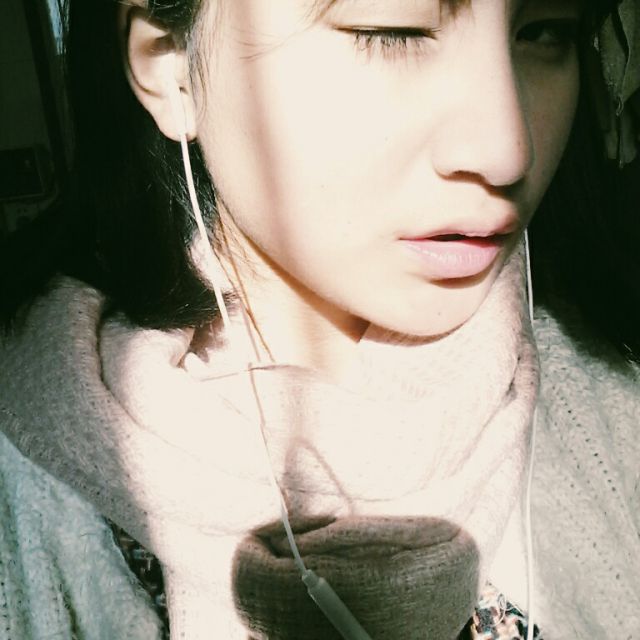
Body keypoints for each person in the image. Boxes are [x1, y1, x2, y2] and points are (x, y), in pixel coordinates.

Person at [0, 0, 638, 638]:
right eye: (391, 31)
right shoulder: (29, 503)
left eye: (545, 32)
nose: (508, 151)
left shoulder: (612, 399)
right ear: (171, 61)